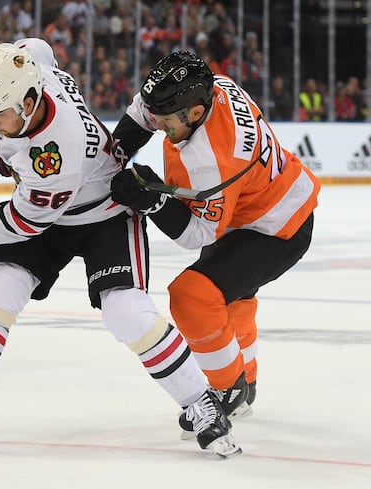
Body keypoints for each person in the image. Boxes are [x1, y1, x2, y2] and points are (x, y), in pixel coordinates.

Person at [0, 41, 241, 457]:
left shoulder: (56, 152)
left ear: (29, 104)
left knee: (125, 311)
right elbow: (37, 48)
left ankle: (199, 400)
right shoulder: (33, 72)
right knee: (0, 288)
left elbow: (27, 221)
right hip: (52, 208)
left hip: (104, 214)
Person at [110, 51, 320, 437]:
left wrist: (153, 199)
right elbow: (145, 111)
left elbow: (198, 234)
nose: (158, 126)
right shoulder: (209, 88)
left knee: (194, 296)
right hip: (260, 202)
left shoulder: (212, 160)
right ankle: (246, 380)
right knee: (231, 297)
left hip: (277, 227)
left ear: (194, 112)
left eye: (166, 120)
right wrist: (107, 160)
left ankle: (228, 388)